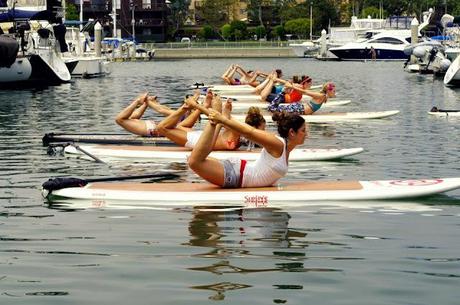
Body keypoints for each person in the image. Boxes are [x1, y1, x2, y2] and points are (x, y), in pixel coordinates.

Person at [184, 97, 307, 188]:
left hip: (240, 173)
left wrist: (225, 119)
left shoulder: (285, 149)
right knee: (194, 162)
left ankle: (218, 121)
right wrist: (222, 118)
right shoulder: (278, 144)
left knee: (196, 160)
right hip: (237, 175)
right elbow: (250, 132)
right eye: (303, 130)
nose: (306, 134)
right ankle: (214, 120)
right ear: (292, 132)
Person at [156, 93, 266, 150]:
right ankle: (187, 107)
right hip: (197, 140)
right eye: (263, 128)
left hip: (202, 136)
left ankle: (193, 106)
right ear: (255, 127)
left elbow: (220, 118)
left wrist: (223, 113)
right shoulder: (238, 131)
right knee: (161, 128)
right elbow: (217, 118)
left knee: (179, 126)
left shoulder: (240, 131)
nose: (264, 132)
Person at [115, 91, 202, 137]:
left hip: (152, 129)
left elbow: (160, 110)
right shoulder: (185, 114)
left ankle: (138, 101)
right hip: (153, 126)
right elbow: (163, 108)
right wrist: (148, 102)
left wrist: (147, 101)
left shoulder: (183, 114)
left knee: (119, 119)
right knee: (131, 117)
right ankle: (140, 102)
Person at [268, 81, 336, 115]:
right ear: (328, 90)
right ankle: (283, 92)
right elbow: (305, 92)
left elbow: (332, 96)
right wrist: (291, 86)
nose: (334, 92)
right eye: (334, 91)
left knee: (274, 108)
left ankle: (283, 92)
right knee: (272, 109)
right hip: (299, 109)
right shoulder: (321, 96)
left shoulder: (324, 96)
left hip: (299, 108)